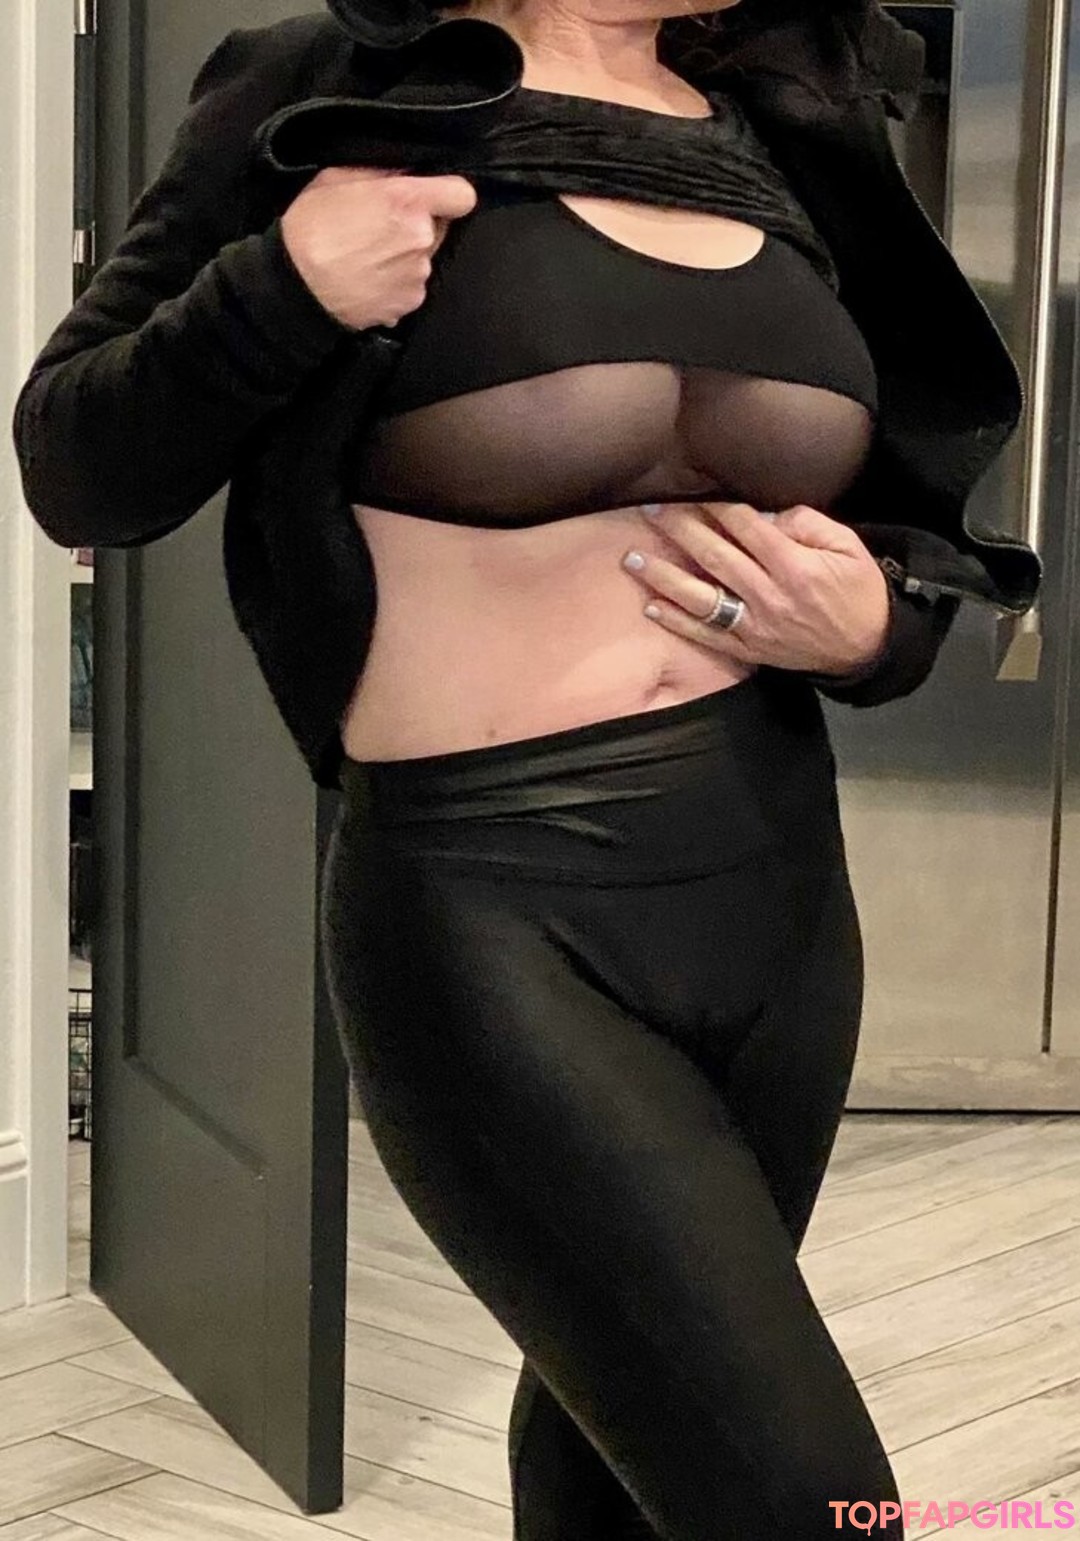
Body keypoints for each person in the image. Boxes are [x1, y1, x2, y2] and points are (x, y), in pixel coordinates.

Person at [12, 0, 1040, 1536]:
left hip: (780, 895)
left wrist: (877, 628)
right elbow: (75, 466)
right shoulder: (325, 84)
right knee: (811, 1505)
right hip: (495, 917)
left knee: (615, 1444)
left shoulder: (784, 119)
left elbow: (898, 517)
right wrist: (283, 285)